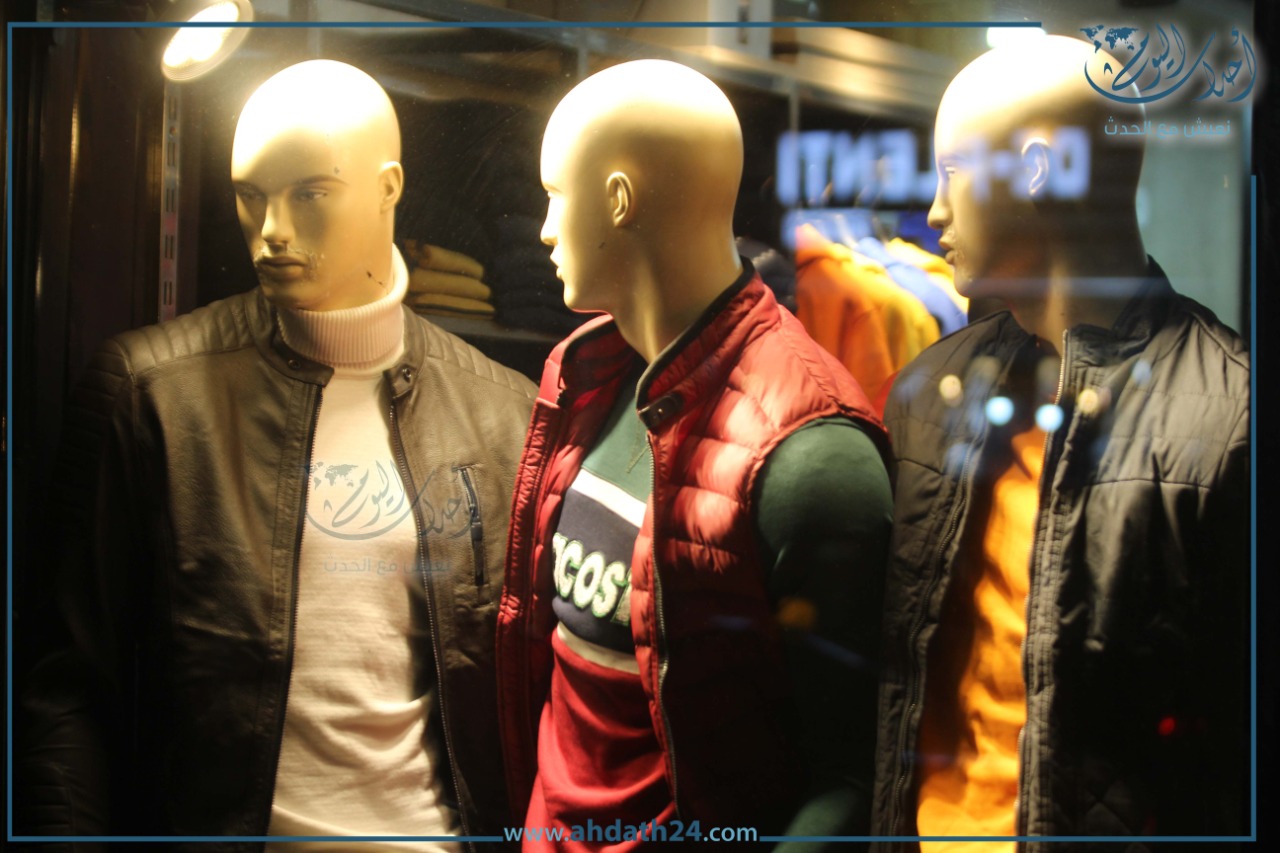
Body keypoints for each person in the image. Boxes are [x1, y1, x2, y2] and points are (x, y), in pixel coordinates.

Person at [16, 60, 534, 847]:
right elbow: (67, 690)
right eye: (251, 195)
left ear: (388, 188)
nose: (272, 230)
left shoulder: (503, 415)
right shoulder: (151, 392)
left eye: (309, 194)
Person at [496, 59, 894, 847]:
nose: (542, 228)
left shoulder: (811, 454)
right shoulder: (583, 376)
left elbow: (849, 776)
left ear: (618, 199)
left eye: (555, 195)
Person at [871, 36, 1250, 847]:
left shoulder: (1232, 422)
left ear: (1037, 170)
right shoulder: (931, 392)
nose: (933, 211)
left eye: (953, 172)